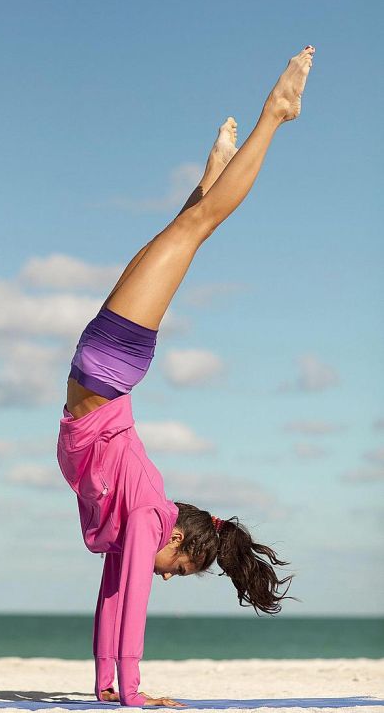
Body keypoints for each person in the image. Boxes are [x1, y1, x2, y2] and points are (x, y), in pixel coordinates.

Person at [57, 46, 316, 708]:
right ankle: (276, 114)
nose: (168, 576)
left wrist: (107, 689)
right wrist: (135, 696)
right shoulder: (150, 515)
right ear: (178, 538)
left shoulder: (134, 525)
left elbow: (113, 594)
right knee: (196, 230)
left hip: (101, 363)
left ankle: (213, 172)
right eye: (183, 565)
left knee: (182, 232)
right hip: (110, 363)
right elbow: (134, 604)